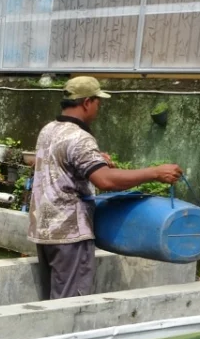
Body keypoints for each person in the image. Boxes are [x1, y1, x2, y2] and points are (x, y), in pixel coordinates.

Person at [29, 76, 182, 300]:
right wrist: (155, 172)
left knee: (53, 300)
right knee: (70, 305)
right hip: (70, 234)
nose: (98, 108)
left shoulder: (50, 130)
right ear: (87, 102)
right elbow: (105, 180)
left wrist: (95, 160)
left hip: (44, 231)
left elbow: (60, 163)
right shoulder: (80, 138)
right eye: (98, 102)